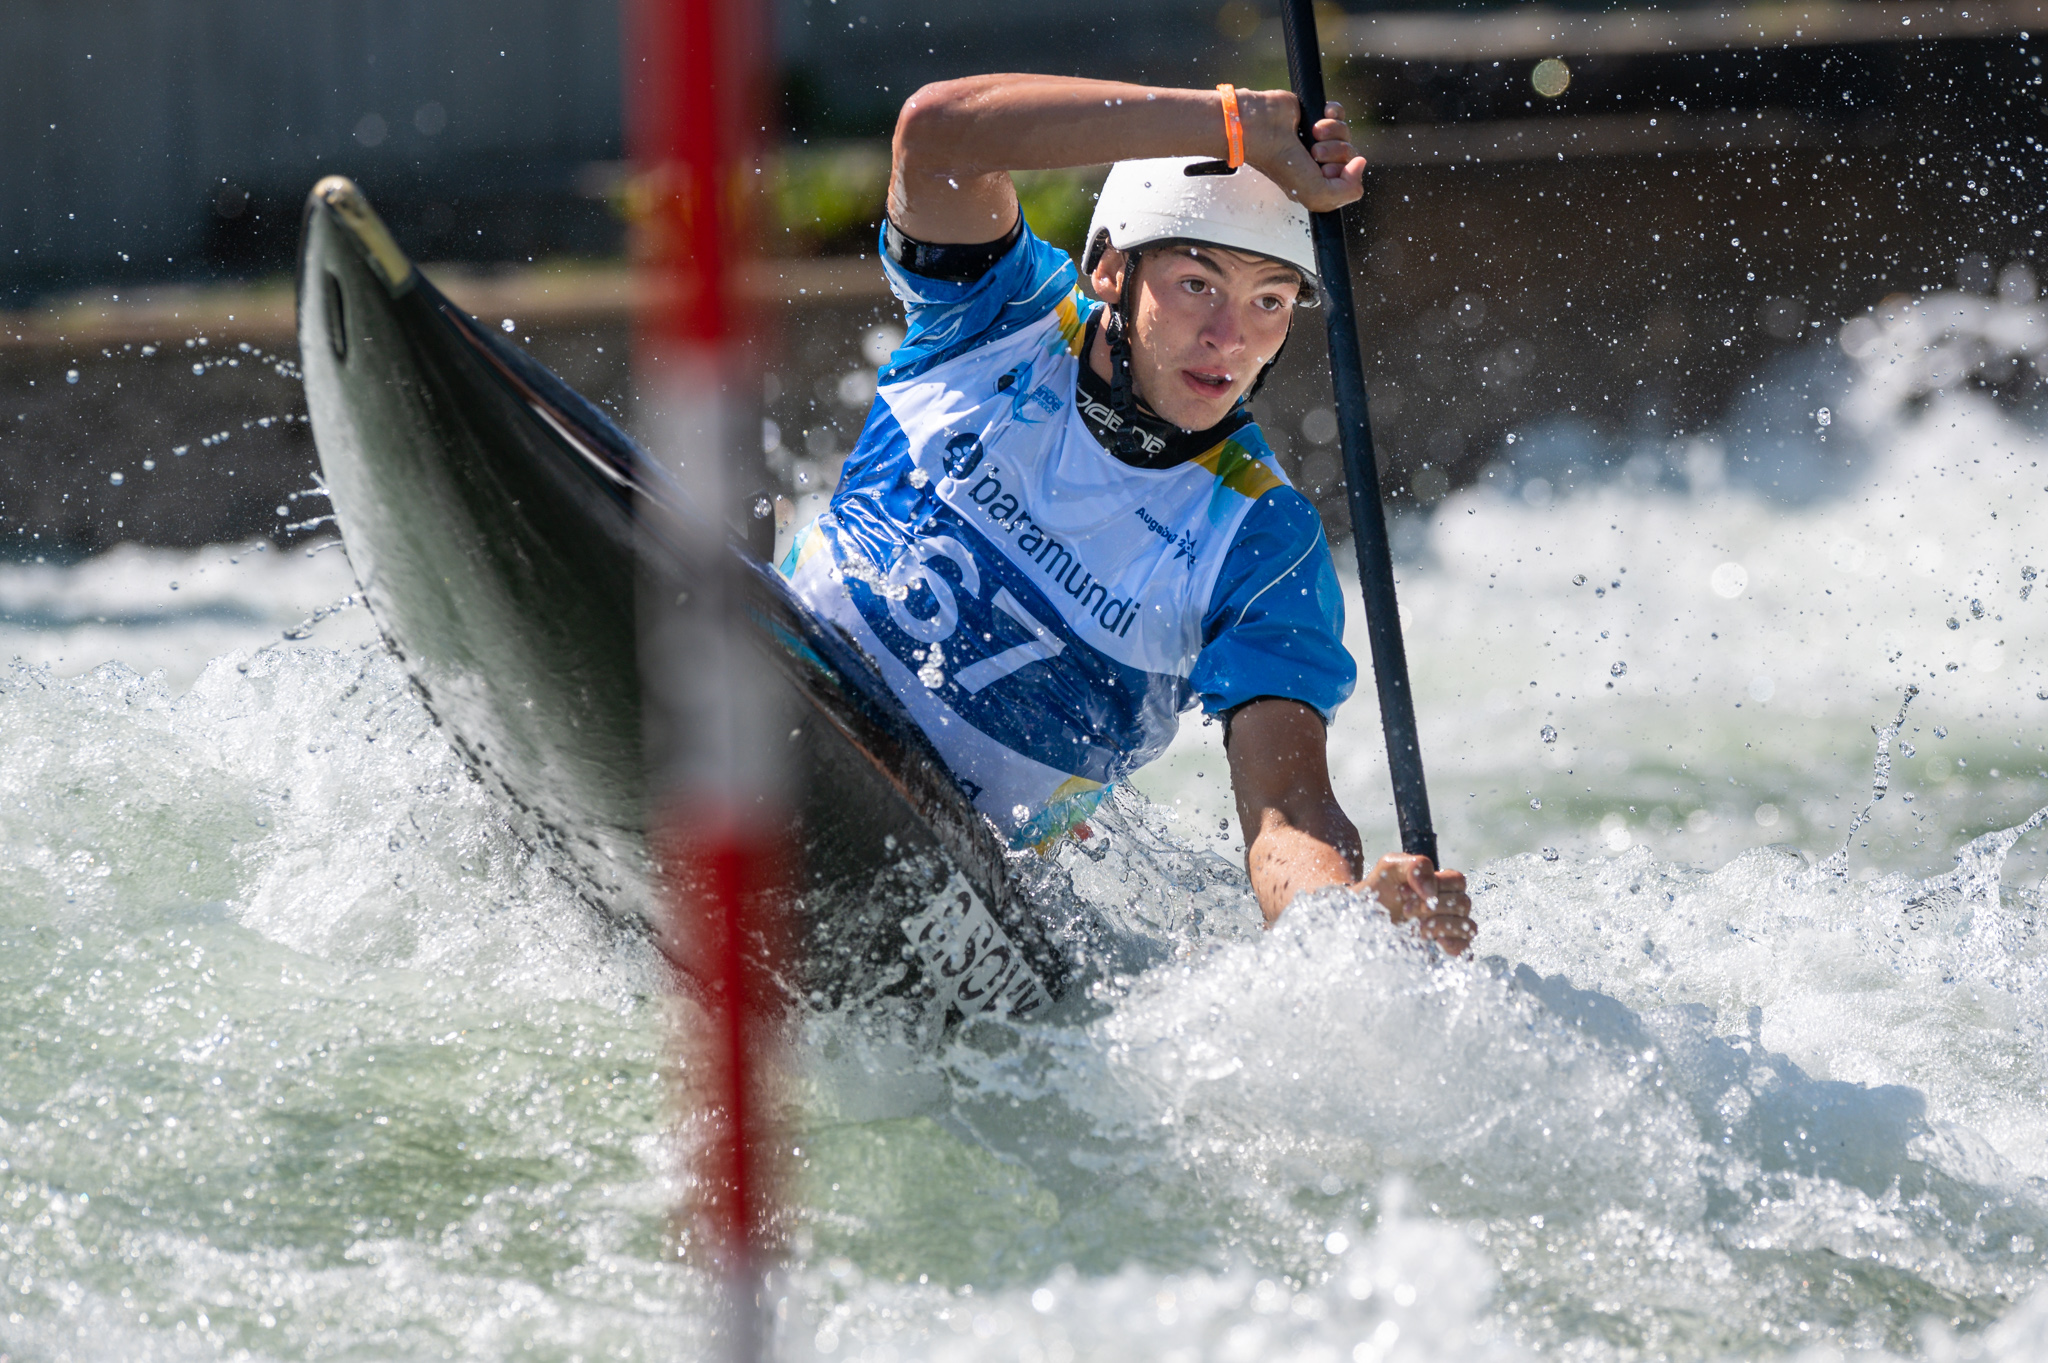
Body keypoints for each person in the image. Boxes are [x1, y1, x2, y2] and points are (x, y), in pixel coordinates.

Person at [777, 74, 1474, 953]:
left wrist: (1350, 928)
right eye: (1196, 284)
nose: (1230, 338)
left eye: (1270, 301)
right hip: (790, 674)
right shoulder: (1000, 319)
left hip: (960, 868)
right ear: (1111, 266)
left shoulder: (1262, 542)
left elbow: (1287, 813)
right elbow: (939, 135)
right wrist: (1234, 124)